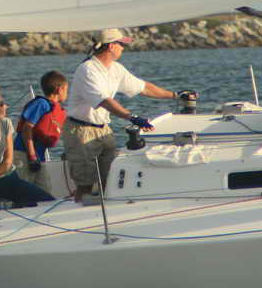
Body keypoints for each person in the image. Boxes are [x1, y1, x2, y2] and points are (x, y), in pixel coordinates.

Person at [65, 28, 181, 202]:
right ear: (111, 46)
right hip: (81, 130)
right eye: (121, 44)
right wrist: (132, 117)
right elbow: (104, 101)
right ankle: (79, 210)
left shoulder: (115, 69)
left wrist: (175, 95)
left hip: (104, 129)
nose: (123, 48)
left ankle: (104, 209)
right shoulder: (87, 69)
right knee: (85, 183)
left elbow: (144, 87)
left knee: (110, 179)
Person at [12, 70, 68, 194]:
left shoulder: (57, 110)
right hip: (24, 154)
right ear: (59, 89)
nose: (67, 93)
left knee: (45, 193)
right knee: (23, 192)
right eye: (66, 89)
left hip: (39, 158)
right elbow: (27, 128)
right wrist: (32, 156)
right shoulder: (41, 104)